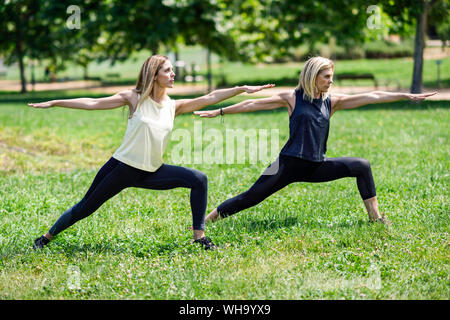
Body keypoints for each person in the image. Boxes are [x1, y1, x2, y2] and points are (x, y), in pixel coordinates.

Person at [28, 54, 274, 251]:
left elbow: (210, 96)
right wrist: (55, 102)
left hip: (152, 170)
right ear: (153, 75)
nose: (173, 74)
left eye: (171, 70)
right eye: (167, 70)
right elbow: (93, 102)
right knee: (86, 207)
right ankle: (45, 238)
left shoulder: (173, 105)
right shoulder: (134, 98)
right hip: (121, 167)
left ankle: (199, 237)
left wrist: (241, 88)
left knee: (198, 179)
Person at [194, 56, 436, 226]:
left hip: (316, 165)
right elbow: (252, 104)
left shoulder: (333, 101)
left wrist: (406, 95)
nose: (331, 81)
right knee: (250, 197)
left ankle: (376, 218)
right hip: (287, 164)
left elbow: (371, 96)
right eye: (326, 76)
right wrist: (220, 112)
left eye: (332, 76)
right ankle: (204, 222)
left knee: (361, 165)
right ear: (313, 75)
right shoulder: (292, 97)